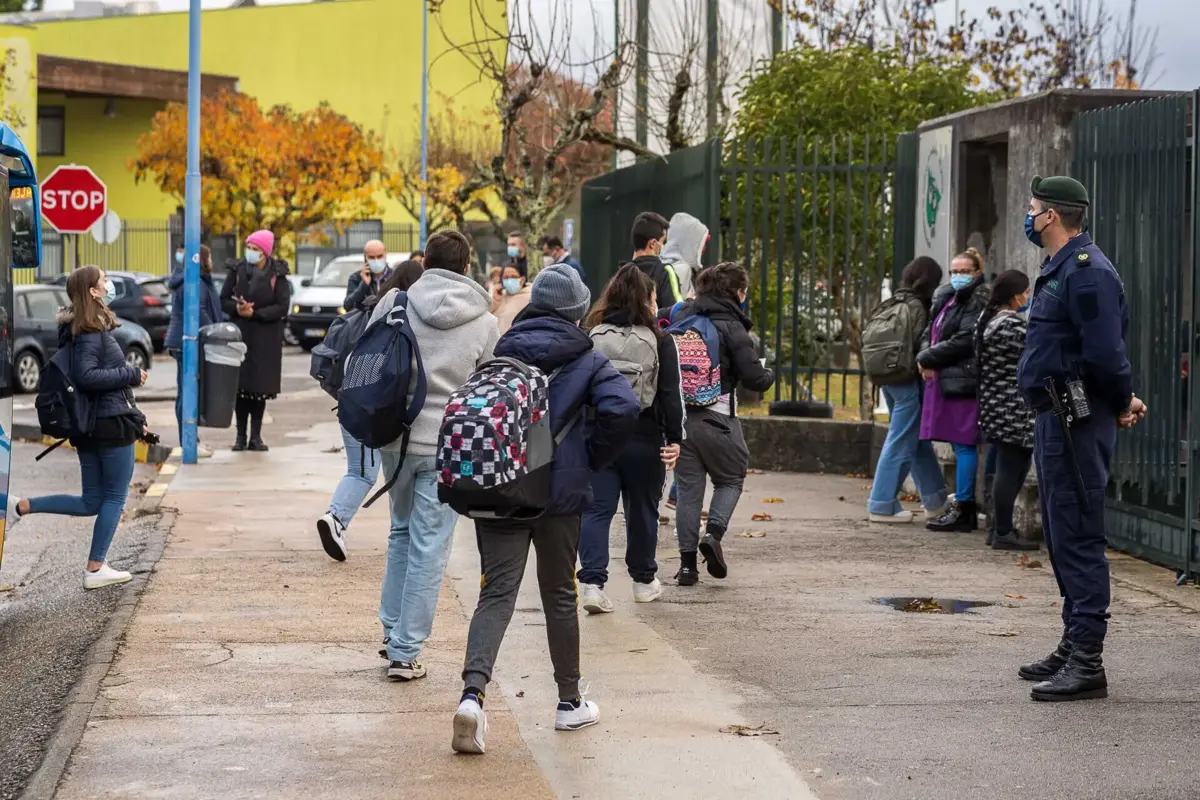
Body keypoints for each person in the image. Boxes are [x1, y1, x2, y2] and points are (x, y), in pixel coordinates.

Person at [452, 264, 639, 755]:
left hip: (502, 490)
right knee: (559, 595)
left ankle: (472, 697)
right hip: (559, 497)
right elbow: (622, 410)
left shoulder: (503, 349)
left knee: (495, 595)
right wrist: (588, 459)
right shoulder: (588, 357)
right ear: (578, 310)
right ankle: (569, 703)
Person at [1015, 175, 1145, 702]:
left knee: (1079, 533)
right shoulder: (1059, 268)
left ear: (1051, 216)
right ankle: (1074, 642)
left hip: (1077, 416)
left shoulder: (1088, 273)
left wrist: (1119, 402)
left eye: (1032, 209)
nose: (1029, 216)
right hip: (1056, 414)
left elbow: (1106, 355)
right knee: (1061, 533)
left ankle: (1088, 659)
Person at [370, 230, 499, 682]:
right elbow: (487, 387)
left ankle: (391, 632)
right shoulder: (485, 322)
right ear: (467, 269)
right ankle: (405, 652)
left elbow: (369, 359)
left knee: (400, 533)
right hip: (448, 448)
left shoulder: (395, 303)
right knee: (430, 545)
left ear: (424, 262)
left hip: (394, 438)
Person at [13, 266, 149, 590]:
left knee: (91, 502)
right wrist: (131, 374)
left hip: (92, 426)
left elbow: (104, 382)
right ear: (93, 291)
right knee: (115, 496)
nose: (108, 284)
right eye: (103, 280)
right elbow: (89, 377)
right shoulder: (91, 331)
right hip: (109, 426)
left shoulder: (79, 330)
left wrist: (138, 419)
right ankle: (95, 567)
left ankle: (20, 506)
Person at [577, 263, 685, 612]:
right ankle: (643, 581)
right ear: (647, 300)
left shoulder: (591, 334)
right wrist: (674, 438)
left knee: (596, 511)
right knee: (643, 510)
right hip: (644, 435)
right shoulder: (659, 339)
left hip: (599, 435)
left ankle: (592, 583)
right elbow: (670, 394)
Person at [669, 262, 774, 585]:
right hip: (719, 418)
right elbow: (756, 380)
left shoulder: (683, 317)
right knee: (731, 478)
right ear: (737, 293)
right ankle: (713, 535)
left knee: (688, 492)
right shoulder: (733, 326)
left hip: (682, 419)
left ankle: (687, 567)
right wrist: (769, 372)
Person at [316, 260, 425, 563]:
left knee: (364, 468)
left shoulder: (370, 309)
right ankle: (335, 518)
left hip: (350, 403)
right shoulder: (397, 317)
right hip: (371, 408)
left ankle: (340, 520)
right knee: (363, 472)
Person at [867, 256, 950, 523]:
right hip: (906, 381)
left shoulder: (891, 302)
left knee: (916, 440)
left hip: (887, 378)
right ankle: (881, 504)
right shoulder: (917, 307)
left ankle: (935, 499)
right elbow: (920, 347)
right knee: (901, 439)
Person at [917, 248, 990, 532]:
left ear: (977, 272)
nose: (958, 276)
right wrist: (925, 355)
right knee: (957, 443)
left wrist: (929, 357)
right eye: (954, 272)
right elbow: (929, 332)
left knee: (964, 444)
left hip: (963, 380)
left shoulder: (976, 299)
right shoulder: (949, 298)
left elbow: (964, 339)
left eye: (964, 271)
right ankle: (962, 504)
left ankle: (964, 507)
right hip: (947, 379)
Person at [975, 269, 1041, 552]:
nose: (1027, 298)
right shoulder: (1012, 327)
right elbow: (1038, 351)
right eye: (1026, 293)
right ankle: (1003, 530)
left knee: (1005, 465)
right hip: (1012, 408)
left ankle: (997, 527)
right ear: (1015, 296)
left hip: (995, 404)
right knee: (1011, 468)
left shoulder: (987, 320)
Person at [221, 229, 291, 452]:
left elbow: (282, 306)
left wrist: (257, 313)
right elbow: (223, 299)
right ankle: (240, 436)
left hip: (265, 338)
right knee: (240, 389)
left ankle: (256, 436)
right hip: (240, 335)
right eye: (249, 247)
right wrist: (237, 309)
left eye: (256, 249)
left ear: (265, 252)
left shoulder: (277, 274)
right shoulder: (237, 270)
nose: (251, 252)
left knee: (259, 389)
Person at [164, 244, 222, 456]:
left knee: (187, 392)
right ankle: (188, 441)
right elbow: (198, 312)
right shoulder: (194, 283)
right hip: (187, 342)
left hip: (182, 341)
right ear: (203, 260)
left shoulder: (191, 280)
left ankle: (190, 440)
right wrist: (215, 330)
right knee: (187, 393)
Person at [630, 212, 682, 313]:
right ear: (653, 244)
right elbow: (676, 312)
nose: (663, 246)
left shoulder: (620, 274)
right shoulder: (665, 272)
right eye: (663, 242)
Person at [659, 212, 710, 299]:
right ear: (690, 243)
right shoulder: (682, 269)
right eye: (701, 243)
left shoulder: (659, 260)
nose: (703, 249)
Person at [343, 239, 390, 313]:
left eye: (379, 256)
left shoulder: (394, 276)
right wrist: (364, 284)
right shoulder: (356, 278)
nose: (376, 260)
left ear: (385, 254)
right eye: (371, 257)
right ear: (365, 258)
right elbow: (348, 306)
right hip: (365, 323)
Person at [490, 262, 532, 334]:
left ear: (522, 279)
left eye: (513, 277)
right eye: (506, 277)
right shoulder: (500, 296)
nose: (509, 280)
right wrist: (495, 301)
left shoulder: (530, 297)